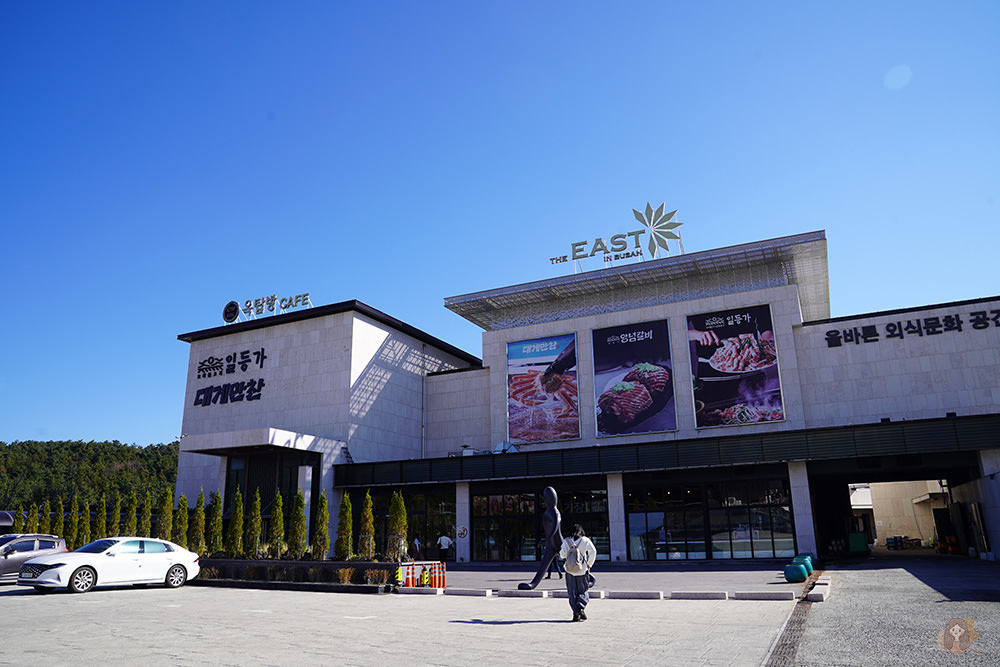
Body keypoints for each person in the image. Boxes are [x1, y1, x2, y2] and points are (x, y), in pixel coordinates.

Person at [518, 486, 563, 590]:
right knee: (544, 565)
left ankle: (589, 578)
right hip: (551, 545)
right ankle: (533, 584)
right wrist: (547, 541)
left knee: (573, 563)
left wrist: (545, 540)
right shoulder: (548, 511)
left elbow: (555, 528)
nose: (546, 500)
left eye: (547, 497)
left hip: (559, 543)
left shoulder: (555, 512)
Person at [559, 523, 597, 622]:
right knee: (583, 590)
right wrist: (589, 565)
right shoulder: (585, 540)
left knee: (572, 593)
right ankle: (581, 607)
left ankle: (576, 613)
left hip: (569, 570)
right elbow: (593, 552)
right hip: (582, 570)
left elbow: (562, 555)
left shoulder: (566, 541)